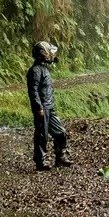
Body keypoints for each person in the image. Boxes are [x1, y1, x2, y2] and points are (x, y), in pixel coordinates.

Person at [27, 41, 70, 170]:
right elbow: (33, 91)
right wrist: (38, 107)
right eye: (48, 52)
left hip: (50, 107)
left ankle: (60, 157)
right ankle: (40, 162)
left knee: (60, 132)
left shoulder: (44, 69)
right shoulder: (35, 71)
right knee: (42, 135)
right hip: (42, 108)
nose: (51, 55)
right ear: (43, 53)